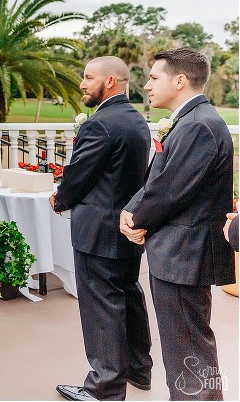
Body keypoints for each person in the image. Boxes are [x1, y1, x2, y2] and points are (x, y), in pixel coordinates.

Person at [120, 48, 235, 400]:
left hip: (185, 255)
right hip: (179, 253)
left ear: (180, 80)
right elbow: (162, 182)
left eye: (154, 77)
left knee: (188, 350)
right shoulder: (192, 119)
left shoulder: (199, 125)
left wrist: (134, 218)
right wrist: (133, 210)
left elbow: (172, 190)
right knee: (183, 346)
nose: (147, 85)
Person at [49, 57, 153, 402]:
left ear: (110, 82)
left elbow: (78, 175)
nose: (81, 83)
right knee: (129, 295)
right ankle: (139, 369)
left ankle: (104, 388)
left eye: (87, 77)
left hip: (98, 231)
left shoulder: (100, 124)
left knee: (101, 307)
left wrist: (60, 199)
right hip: (126, 226)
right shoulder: (137, 120)